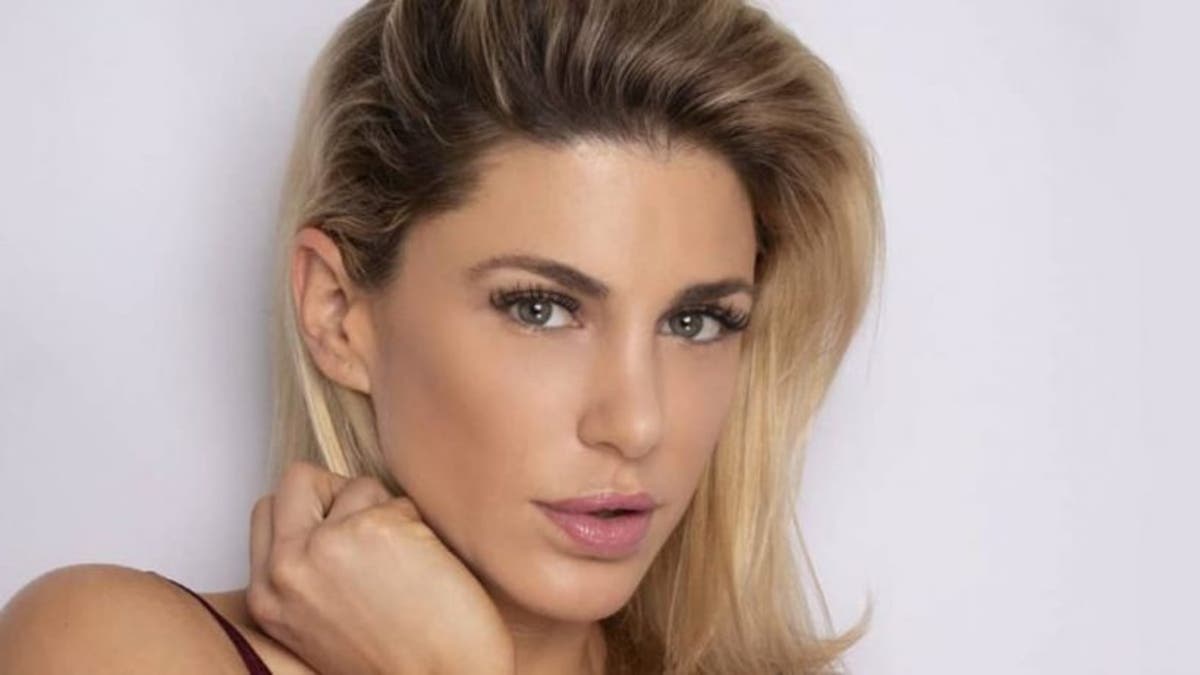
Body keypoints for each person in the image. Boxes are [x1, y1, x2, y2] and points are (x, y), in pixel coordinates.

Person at [0, 0, 883, 672]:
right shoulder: (112, 646)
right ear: (338, 312)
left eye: (696, 321)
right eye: (540, 308)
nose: (637, 423)